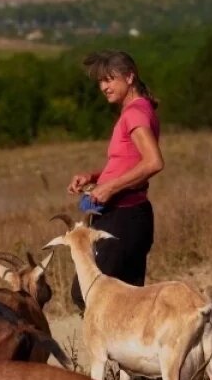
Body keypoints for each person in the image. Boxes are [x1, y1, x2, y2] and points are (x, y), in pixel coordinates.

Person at [66, 50, 164, 310]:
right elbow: (129, 161)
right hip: (128, 216)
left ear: (129, 77)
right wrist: (94, 177)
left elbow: (153, 162)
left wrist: (109, 187)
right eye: (100, 81)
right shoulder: (136, 110)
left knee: (87, 294)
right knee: (129, 301)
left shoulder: (134, 113)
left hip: (123, 217)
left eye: (110, 79)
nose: (104, 87)